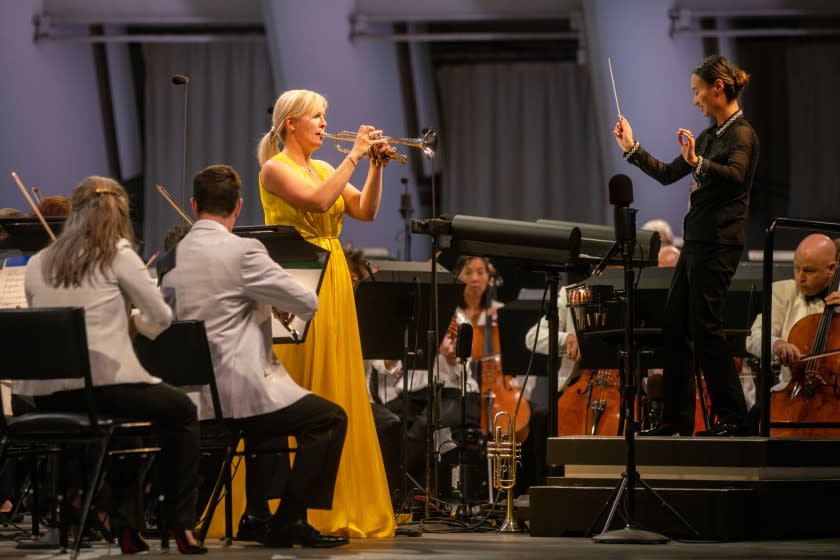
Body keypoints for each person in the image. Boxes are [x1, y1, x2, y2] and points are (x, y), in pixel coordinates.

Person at [161, 165, 349, 548]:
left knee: (272, 422)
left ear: (194, 205)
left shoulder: (170, 259)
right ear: (239, 206)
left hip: (192, 400)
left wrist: (256, 299)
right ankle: (291, 519)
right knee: (329, 419)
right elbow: (307, 300)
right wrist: (266, 297)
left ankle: (256, 515)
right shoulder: (244, 250)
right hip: (240, 395)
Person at [18, 176, 204, 554]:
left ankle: (128, 529)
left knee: (128, 432)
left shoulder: (38, 262)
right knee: (183, 411)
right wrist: (136, 324)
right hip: (104, 388)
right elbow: (162, 316)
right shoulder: (118, 252)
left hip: (47, 396)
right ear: (119, 214)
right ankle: (180, 523)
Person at [256, 89, 396, 537]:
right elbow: (317, 203)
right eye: (316, 116)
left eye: (325, 116)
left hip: (332, 276)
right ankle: (290, 508)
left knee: (337, 383)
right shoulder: (274, 168)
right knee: (300, 383)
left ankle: (328, 503)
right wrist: (355, 155)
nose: (323, 123)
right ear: (290, 123)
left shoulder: (321, 167)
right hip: (296, 276)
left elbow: (365, 211)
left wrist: (375, 166)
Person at [614, 54, 760, 437]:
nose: (695, 100)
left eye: (697, 92)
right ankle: (674, 420)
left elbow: (736, 176)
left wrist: (698, 164)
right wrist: (633, 148)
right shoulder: (711, 136)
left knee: (706, 329)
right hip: (697, 244)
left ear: (717, 88)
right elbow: (666, 174)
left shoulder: (741, 134)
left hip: (718, 245)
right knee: (675, 326)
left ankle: (733, 418)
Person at [745, 234, 840, 393]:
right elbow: (754, 338)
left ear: (831, 269)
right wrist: (777, 344)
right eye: (796, 268)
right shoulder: (782, 292)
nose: (800, 278)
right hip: (791, 390)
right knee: (753, 416)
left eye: (809, 271)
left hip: (835, 393)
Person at [344, 246, 402, 506]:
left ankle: (388, 502)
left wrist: (393, 323)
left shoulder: (364, 316)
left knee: (390, 422)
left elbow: (387, 365)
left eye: (355, 281)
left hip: (361, 403)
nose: (351, 286)